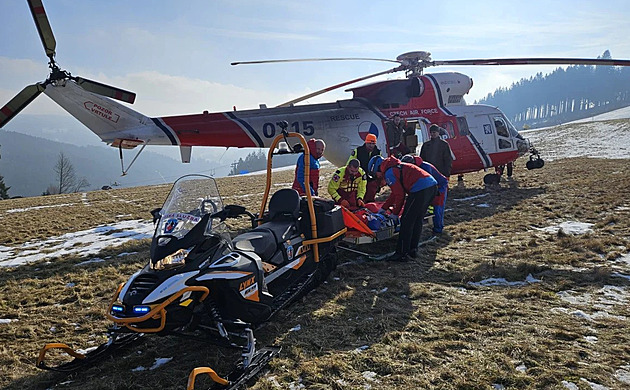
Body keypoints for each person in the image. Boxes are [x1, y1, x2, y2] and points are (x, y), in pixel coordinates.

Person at [379, 156, 437, 262]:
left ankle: (401, 253)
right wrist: (384, 208)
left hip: (420, 189)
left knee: (406, 221)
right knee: (417, 219)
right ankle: (412, 250)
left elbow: (400, 195)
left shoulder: (389, 173)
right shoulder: (397, 167)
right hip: (431, 186)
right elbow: (395, 193)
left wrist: (395, 214)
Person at [401, 154, 448, 235]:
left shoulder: (425, 167)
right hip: (429, 190)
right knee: (428, 208)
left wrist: (439, 191)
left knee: (438, 209)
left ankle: (438, 230)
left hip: (439, 188)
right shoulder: (413, 169)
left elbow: (431, 182)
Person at [347, 134, 382, 202]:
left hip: (372, 179)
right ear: (365, 142)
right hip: (359, 177)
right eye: (369, 143)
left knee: (370, 197)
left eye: (373, 143)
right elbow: (349, 163)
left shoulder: (378, 152)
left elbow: (380, 165)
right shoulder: (358, 151)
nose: (371, 145)